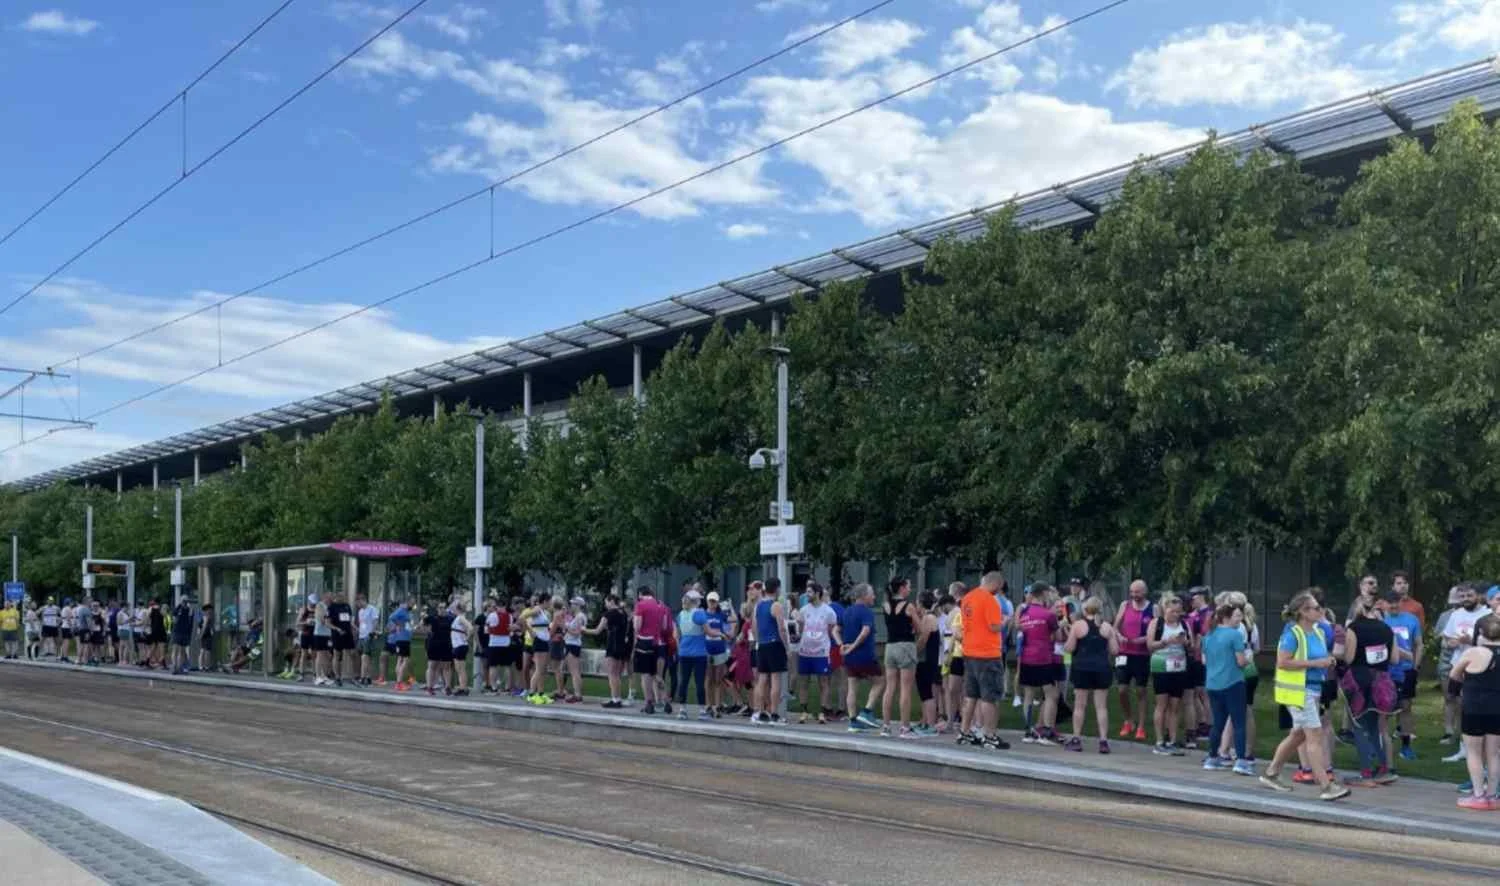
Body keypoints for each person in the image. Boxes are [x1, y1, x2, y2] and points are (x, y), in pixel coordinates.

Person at [1259, 590, 1350, 801]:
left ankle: (1271, 773)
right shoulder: (1292, 633)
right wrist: (1317, 664)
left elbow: (1321, 655)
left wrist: (1328, 660)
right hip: (1300, 693)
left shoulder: (1317, 632)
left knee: (1298, 734)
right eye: (1316, 608)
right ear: (1303, 611)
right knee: (1314, 736)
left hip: (1312, 690)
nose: (1321, 611)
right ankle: (1326, 786)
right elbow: (1283, 662)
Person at [1341, 592, 1398, 786]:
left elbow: (1348, 658)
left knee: (1358, 726)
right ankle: (1383, 768)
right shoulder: (1387, 629)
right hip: (1382, 681)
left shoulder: (1354, 628)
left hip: (1359, 680)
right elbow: (1395, 659)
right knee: (1374, 726)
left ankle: (1365, 773)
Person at [1449, 614, 1500, 810]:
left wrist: (1457, 692)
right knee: (1494, 753)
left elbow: (1454, 675)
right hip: (1497, 708)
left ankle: (1478, 795)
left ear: (1480, 632)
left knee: (1474, 752)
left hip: (1474, 707)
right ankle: (1493, 795)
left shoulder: (1474, 652)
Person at [955, 572, 1011, 750]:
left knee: (971, 695)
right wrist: (1005, 621)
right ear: (996, 584)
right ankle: (990, 735)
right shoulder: (990, 600)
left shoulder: (968, 598)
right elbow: (993, 626)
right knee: (989, 697)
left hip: (969, 651)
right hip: (988, 653)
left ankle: (964, 732)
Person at [1201, 603, 1256, 776]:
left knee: (1218, 722)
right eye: (1237, 616)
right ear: (1226, 617)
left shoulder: (1208, 635)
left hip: (1213, 683)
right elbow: (1240, 661)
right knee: (1239, 722)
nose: (1240, 620)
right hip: (1233, 682)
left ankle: (1212, 757)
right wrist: (1249, 658)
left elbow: (1204, 660)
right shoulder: (1234, 635)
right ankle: (1241, 760)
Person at [1442, 584, 1492, 764]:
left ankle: (1484, 748)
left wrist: (1470, 640)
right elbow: (1447, 637)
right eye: (1462, 596)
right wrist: (1452, 643)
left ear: (1478, 596)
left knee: (1477, 707)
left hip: (1480, 665)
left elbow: (1491, 640)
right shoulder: (1456, 615)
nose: (1465, 599)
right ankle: (1464, 747)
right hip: (1459, 663)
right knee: (1459, 704)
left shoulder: (1486, 615)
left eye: (1469, 595)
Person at [1063, 596, 1116, 752]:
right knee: (1101, 707)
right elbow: (1115, 650)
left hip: (1082, 668)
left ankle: (1076, 738)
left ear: (1084, 610)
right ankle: (1104, 741)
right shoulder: (1107, 627)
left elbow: (1069, 648)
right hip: (1102, 668)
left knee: (1080, 705)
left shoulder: (1078, 626)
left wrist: (1068, 630)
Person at [1015, 583, 1063, 745]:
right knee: (1050, 694)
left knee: (1028, 694)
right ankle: (1047, 732)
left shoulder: (1024, 612)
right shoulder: (1048, 615)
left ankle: (1028, 731)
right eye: (1048, 594)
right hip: (1043, 658)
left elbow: (1019, 629)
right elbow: (1057, 637)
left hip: (1027, 657)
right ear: (1042, 594)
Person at [1147, 593, 1192, 754]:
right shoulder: (1156, 623)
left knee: (1175, 705)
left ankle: (1172, 740)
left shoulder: (1184, 625)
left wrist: (1185, 642)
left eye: (1178, 612)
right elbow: (1150, 645)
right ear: (1165, 610)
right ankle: (1160, 740)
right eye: (1172, 612)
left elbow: (1191, 646)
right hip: (1161, 666)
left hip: (1179, 666)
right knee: (1162, 704)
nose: (1175, 615)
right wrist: (1166, 642)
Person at [835, 583, 883, 731]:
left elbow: (835, 630)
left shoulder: (847, 611)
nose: (874, 596)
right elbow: (866, 630)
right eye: (872, 593)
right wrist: (854, 646)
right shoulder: (866, 612)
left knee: (852, 686)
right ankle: (867, 712)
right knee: (880, 682)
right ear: (864, 596)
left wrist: (841, 645)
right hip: (864, 655)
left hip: (849, 658)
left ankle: (852, 720)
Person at [1113, 580, 1154, 741]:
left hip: (1142, 654)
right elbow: (1115, 627)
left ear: (1145, 592)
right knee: (1122, 689)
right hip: (1124, 653)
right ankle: (1128, 720)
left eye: (1137, 592)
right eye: (1132, 592)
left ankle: (1142, 726)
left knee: (1141, 690)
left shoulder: (1153, 608)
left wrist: (1144, 639)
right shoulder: (1125, 605)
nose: (1134, 595)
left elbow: (1157, 629)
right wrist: (1120, 636)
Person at [881, 578, 920, 739]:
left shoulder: (885, 605)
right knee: (905, 689)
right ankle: (905, 727)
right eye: (909, 587)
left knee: (890, 687)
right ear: (902, 588)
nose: (910, 590)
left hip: (890, 647)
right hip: (906, 646)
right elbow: (920, 628)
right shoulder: (908, 606)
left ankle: (886, 726)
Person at [795, 583, 837, 724]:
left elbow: (831, 629)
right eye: (807, 592)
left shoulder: (828, 611)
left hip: (821, 652)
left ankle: (823, 711)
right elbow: (801, 628)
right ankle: (804, 711)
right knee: (804, 682)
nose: (807, 595)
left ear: (818, 593)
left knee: (823, 682)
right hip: (805, 651)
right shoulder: (803, 610)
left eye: (810, 592)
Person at [751, 579, 789, 726]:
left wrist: (757, 641)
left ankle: (759, 712)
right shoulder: (776, 605)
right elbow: (782, 628)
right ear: (777, 589)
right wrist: (786, 646)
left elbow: (754, 626)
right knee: (775, 679)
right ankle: (774, 714)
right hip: (774, 644)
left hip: (762, 644)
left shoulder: (758, 606)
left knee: (762, 679)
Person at [587, 594, 629, 707]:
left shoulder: (609, 614)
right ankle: (617, 698)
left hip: (612, 646)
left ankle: (615, 699)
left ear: (611, 601)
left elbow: (597, 631)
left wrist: (583, 629)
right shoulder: (623, 613)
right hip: (621, 646)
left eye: (606, 602)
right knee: (617, 674)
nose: (605, 604)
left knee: (612, 674)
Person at [674, 590, 710, 720]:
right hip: (699, 653)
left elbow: (677, 634)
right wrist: (721, 634)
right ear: (696, 601)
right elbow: (708, 631)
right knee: (700, 682)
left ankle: (682, 710)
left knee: (683, 681)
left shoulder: (680, 615)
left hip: (684, 652)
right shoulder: (700, 614)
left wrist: (680, 648)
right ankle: (702, 711)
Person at [632, 588, 668, 714]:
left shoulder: (640, 605)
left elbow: (637, 626)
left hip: (644, 641)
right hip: (658, 643)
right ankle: (666, 700)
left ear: (641, 594)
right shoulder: (661, 605)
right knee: (656, 674)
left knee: (645, 674)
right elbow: (664, 626)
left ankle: (649, 702)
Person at [913, 590, 942, 737]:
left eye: (917, 602)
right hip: (927, 660)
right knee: (924, 692)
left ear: (921, 603)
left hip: (926, 660)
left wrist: (913, 653)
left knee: (927, 693)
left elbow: (923, 640)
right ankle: (925, 722)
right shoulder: (928, 617)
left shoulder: (928, 618)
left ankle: (931, 725)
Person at [703, 592, 731, 716]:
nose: (712, 603)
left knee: (718, 678)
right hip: (707, 648)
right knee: (709, 678)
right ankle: (708, 704)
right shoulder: (703, 614)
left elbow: (733, 619)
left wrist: (730, 607)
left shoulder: (721, 614)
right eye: (710, 601)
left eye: (714, 601)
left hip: (719, 648)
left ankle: (718, 704)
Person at [423, 603, 454, 696]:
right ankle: (429, 687)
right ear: (437, 609)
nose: (442, 609)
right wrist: (428, 632)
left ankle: (447, 687)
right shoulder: (432, 618)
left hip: (446, 644)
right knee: (432, 665)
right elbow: (423, 625)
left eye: (444, 608)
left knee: (447, 666)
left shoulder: (450, 619)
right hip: (434, 644)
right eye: (440, 607)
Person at [385, 599, 414, 691]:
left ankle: (398, 682)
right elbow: (392, 617)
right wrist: (399, 624)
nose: (412, 605)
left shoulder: (405, 612)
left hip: (403, 639)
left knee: (400, 660)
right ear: (405, 603)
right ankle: (399, 683)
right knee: (405, 660)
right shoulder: (401, 610)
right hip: (403, 639)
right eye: (411, 603)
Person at [561, 597, 586, 703]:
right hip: (569, 644)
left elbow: (577, 633)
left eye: (573, 604)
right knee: (571, 671)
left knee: (575, 672)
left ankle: (578, 694)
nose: (571, 606)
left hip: (573, 645)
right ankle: (569, 691)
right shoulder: (577, 617)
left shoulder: (580, 617)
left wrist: (566, 627)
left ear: (578, 605)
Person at [327, 591, 355, 687]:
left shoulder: (347, 606)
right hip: (337, 633)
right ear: (337, 597)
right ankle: (337, 676)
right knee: (337, 654)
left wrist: (354, 629)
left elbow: (350, 620)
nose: (343, 598)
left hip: (347, 633)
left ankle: (349, 676)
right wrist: (337, 629)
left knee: (350, 653)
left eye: (344, 597)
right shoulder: (332, 607)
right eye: (341, 597)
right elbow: (328, 623)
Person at [450, 599, 473, 697]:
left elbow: (470, 628)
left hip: (460, 645)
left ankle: (463, 688)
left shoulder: (460, 618)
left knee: (461, 668)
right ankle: (461, 686)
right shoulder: (458, 618)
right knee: (458, 668)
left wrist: (466, 638)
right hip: (457, 645)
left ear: (457, 608)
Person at [356, 593, 381, 688]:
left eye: (358, 602)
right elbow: (361, 623)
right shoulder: (360, 611)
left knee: (365, 657)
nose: (358, 605)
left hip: (368, 636)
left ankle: (363, 678)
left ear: (363, 600)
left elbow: (375, 621)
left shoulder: (372, 609)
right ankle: (368, 677)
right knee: (367, 658)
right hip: (362, 635)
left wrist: (372, 632)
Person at [170, 597, 194, 674]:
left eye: (185, 601)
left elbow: (174, 619)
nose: (185, 603)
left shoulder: (186, 609)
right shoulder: (183, 609)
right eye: (184, 601)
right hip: (180, 632)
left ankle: (178, 667)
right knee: (178, 650)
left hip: (181, 632)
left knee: (180, 650)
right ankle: (176, 666)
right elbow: (174, 618)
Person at [198, 602, 217, 673]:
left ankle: (203, 666)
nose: (210, 611)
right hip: (205, 635)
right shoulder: (205, 618)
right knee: (205, 651)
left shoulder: (206, 617)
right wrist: (201, 635)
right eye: (209, 610)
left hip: (206, 635)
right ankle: (205, 666)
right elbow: (203, 627)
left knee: (204, 651)